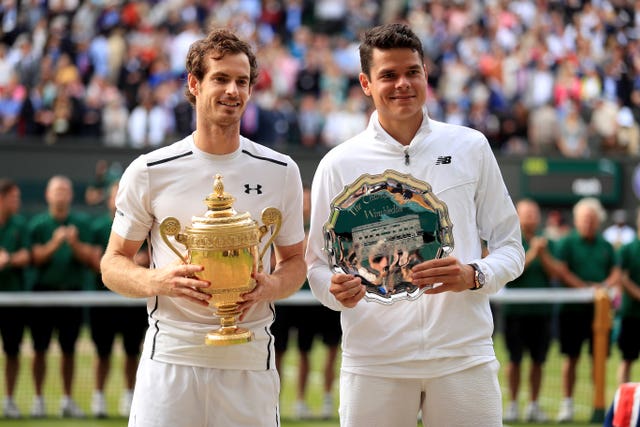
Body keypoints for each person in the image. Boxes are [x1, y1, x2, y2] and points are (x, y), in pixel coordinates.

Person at [305, 23, 524, 427]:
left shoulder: (470, 146)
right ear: (366, 84)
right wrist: (335, 291)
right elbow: (317, 267)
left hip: (462, 356)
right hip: (374, 360)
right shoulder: (338, 163)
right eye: (388, 75)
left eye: (413, 72)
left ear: (426, 74)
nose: (402, 84)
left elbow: (512, 248)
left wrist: (474, 274)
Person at [99, 28, 306, 427]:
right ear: (194, 84)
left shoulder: (282, 171)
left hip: (250, 361)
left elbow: (295, 261)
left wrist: (273, 286)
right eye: (221, 79)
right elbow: (112, 264)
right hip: (171, 361)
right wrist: (161, 281)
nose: (233, 91)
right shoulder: (149, 170)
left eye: (242, 81)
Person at [27, 175, 95, 418]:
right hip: (42, 294)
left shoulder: (82, 224)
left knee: (69, 350)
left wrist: (74, 244)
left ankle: (67, 400)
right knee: (39, 349)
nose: (61, 194)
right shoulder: (37, 225)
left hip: (72, 295)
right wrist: (55, 244)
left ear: (71, 195)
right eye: (57, 190)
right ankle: (38, 401)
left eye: (65, 190)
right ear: (48, 195)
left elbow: (91, 259)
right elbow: (34, 258)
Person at [272, 184, 341, 420]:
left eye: (309, 200)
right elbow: (274, 259)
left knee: (323, 351)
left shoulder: (326, 227)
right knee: (280, 352)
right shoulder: (282, 227)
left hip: (318, 299)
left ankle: (326, 400)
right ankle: (280, 404)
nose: (306, 205)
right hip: (286, 300)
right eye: (303, 200)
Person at [553, 197, 619, 423]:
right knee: (570, 357)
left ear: (598, 221)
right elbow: (561, 270)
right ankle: (567, 405)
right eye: (584, 219)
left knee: (598, 358)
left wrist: (603, 287)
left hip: (598, 311)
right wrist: (584, 289)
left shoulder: (605, 245)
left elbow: (615, 272)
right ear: (577, 220)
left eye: (591, 219)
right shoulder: (567, 242)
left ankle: (598, 404)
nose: (588, 223)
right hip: (572, 309)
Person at [87, 181, 148, 418]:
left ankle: (129, 397)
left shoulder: (142, 225)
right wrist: (118, 266)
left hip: (133, 300)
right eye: (115, 195)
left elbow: (151, 254)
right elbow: (94, 258)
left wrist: (139, 263)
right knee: (102, 352)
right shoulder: (98, 226)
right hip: (103, 300)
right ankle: (98, 399)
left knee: (132, 351)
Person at [502, 199, 560, 423]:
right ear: (517, 215)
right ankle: (514, 405)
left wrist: (543, 253)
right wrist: (534, 253)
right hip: (515, 312)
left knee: (538, 361)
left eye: (535, 214)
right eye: (527, 214)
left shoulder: (547, 242)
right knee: (514, 360)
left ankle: (534, 405)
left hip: (541, 312)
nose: (531, 218)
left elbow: (555, 273)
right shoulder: (511, 240)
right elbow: (511, 272)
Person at [0, 178, 30, 418]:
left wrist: (7, 259)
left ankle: (9, 400)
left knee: (12, 352)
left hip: (12, 300)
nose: (17, 202)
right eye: (14, 197)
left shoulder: (20, 224)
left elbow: (26, 256)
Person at [615, 208, 640, 385]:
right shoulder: (628, 249)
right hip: (631, 314)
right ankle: (625, 399)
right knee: (627, 359)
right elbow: (621, 277)